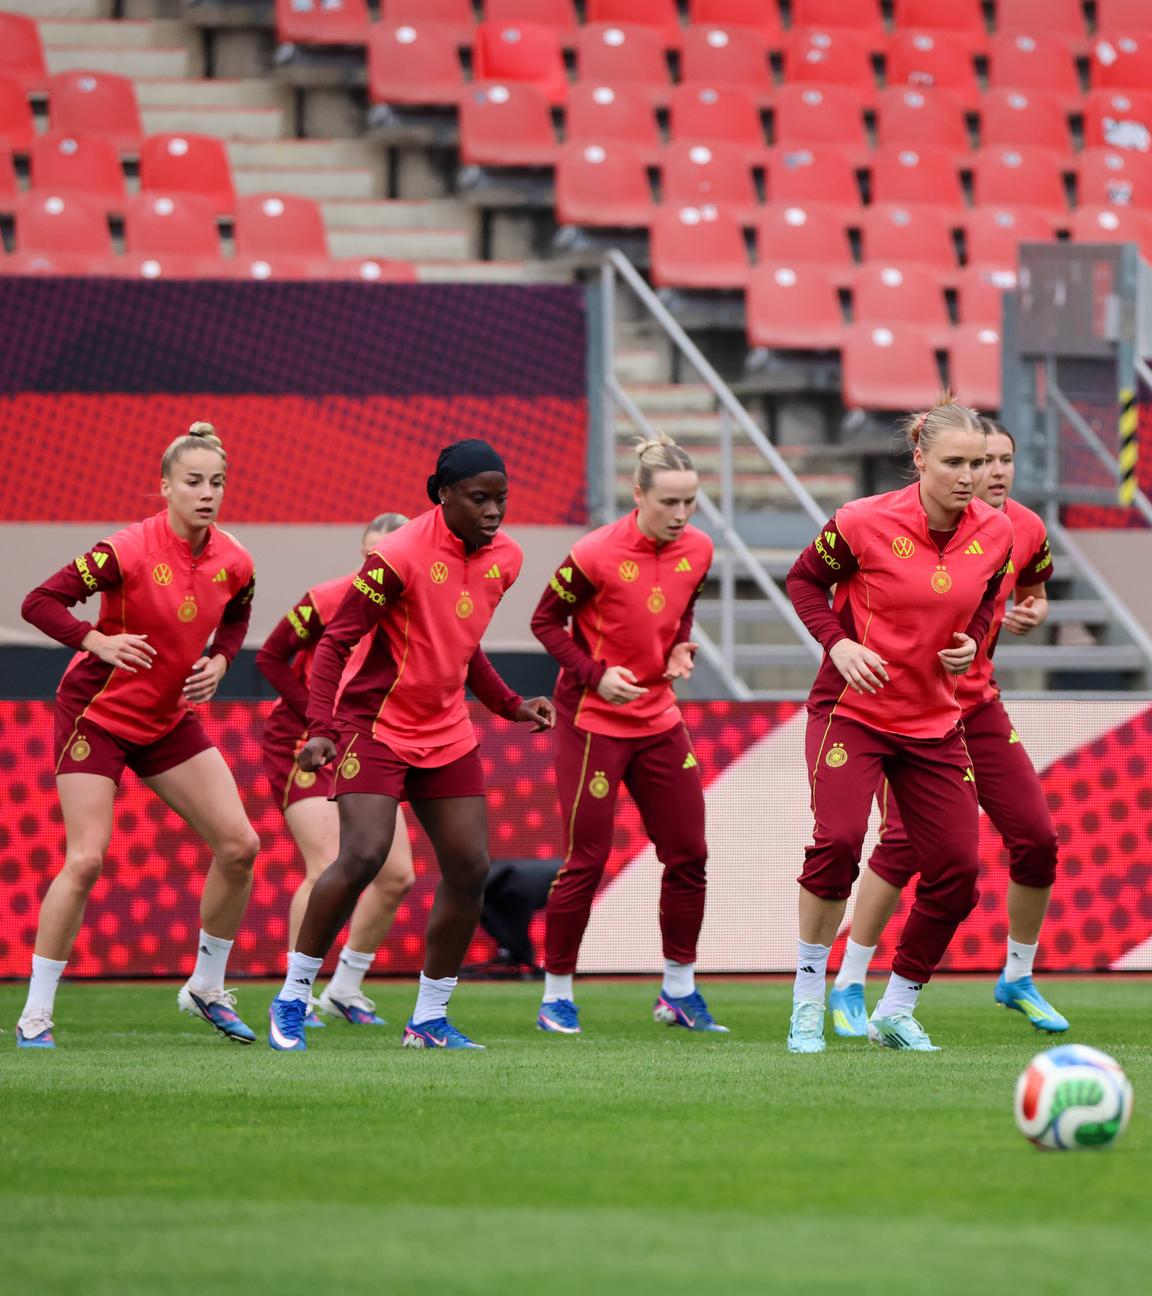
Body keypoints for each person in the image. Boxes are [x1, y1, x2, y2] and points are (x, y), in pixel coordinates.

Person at [266, 439, 555, 1052]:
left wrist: (510, 705)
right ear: (442, 494)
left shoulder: (508, 557)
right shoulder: (397, 556)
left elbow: (464, 643)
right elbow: (335, 644)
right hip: (376, 727)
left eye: (501, 498)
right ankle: (293, 995)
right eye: (480, 498)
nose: (494, 512)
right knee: (364, 855)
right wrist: (321, 727)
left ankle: (428, 1019)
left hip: (447, 732)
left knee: (469, 870)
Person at [16, 422, 260, 1049]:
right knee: (87, 857)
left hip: (166, 720)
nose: (207, 493)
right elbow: (39, 601)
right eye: (193, 482)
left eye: (217, 483)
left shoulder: (235, 559)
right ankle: (36, 1013)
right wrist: (95, 639)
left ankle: (206, 987)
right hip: (95, 714)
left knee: (239, 846)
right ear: (165, 487)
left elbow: (237, 615)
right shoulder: (125, 550)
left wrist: (223, 661)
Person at [784, 394, 1013, 1053]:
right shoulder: (861, 522)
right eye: (953, 462)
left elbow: (987, 596)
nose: (967, 476)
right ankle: (806, 1001)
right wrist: (839, 643)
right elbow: (802, 581)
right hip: (852, 712)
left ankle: (897, 1007)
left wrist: (973, 640)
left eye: (976, 463)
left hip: (934, 722)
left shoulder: (995, 533)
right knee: (838, 843)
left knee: (958, 873)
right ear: (919, 460)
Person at [829, 419, 1066, 1035]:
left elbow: (1034, 589)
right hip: (911, 710)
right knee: (904, 843)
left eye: (1002, 460)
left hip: (978, 707)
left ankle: (1017, 974)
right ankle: (850, 982)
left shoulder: (1024, 529)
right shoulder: (895, 524)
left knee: (1037, 839)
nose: (989, 472)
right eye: (976, 461)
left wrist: (1034, 611)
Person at [530, 433, 725, 1035]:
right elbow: (545, 620)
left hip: (659, 718)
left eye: (690, 502)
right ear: (638, 495)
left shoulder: (700, 547)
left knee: (689, 854)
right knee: (586, 861)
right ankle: (556, 995)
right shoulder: (594, 552)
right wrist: (594, 675)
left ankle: (678, 991)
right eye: (669, 502)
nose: (681, 514)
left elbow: (683, 604)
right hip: (593, 723)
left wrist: (681, 647)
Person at [256, 513, 415, 1027]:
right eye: (372, 554)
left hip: (371, 740)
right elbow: (272, 657)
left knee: (396, 877)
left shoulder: (420, 607)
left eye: (391, 554)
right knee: (326, 863)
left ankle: (344, 988)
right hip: (309, 741)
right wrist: (318, 718)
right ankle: (296, 993)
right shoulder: (328, 598)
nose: (380, 564)